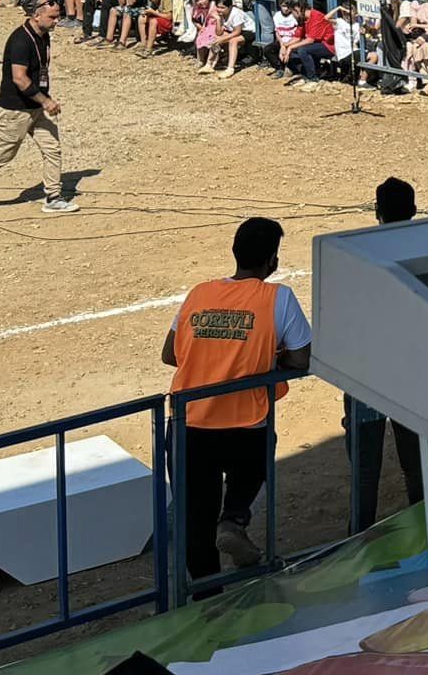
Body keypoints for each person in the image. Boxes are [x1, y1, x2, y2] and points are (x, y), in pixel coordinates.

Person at [162, 217, 313, 584]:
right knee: (260, 455)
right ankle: (234, 518)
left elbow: (170, 354)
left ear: (234, 252)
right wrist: (266, 358)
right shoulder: (278, 298)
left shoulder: (199, 293)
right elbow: (301, 358)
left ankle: (206, 596)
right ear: (272, 261)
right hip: (246, 424)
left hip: (188, 422)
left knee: (195, 518)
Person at [346, 178, 426, 533]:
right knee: (417, 464)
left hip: (368, 375)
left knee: (365, 471)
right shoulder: (426, 253)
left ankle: (357, 541)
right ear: (412, 210)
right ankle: (427, 535)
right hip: (412, 377)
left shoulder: (358, 254)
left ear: (377, 211)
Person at [0, 0, 78, 214]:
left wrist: (42, 101)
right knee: (4, 153)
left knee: (52, 148)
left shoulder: (43, 34)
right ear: (36, 14)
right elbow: (19, 78)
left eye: (58, 16)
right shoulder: (21, 41)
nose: (57, 21)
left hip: (35, 106)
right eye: (52, 17)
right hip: (16, 109)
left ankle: (53, 196)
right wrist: (46, 101)